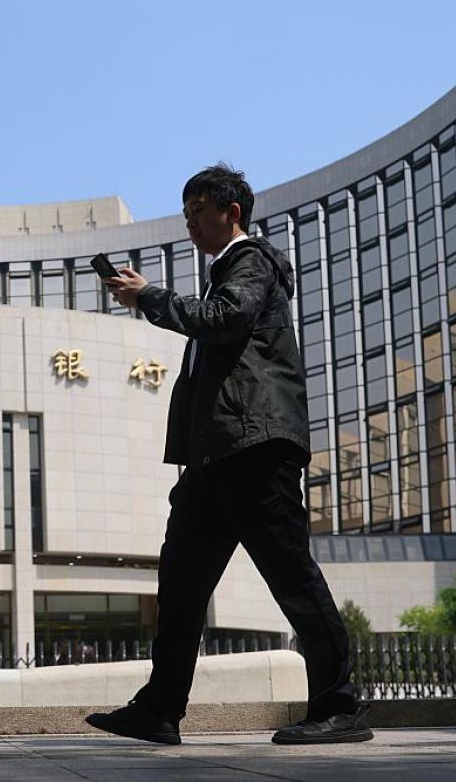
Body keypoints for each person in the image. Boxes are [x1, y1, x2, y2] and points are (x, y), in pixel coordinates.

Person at [85, 164, 372, 746]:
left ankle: (339, 706)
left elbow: (224, 321)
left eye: (198, 211)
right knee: (181, 587)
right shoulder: (224, 273)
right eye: (186, 213)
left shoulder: (251, 262)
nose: (190, 223)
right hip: (213, 460)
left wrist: (149, 297)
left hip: (254, 450)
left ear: (230, 212)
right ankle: (160, 708)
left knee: (291, 576)